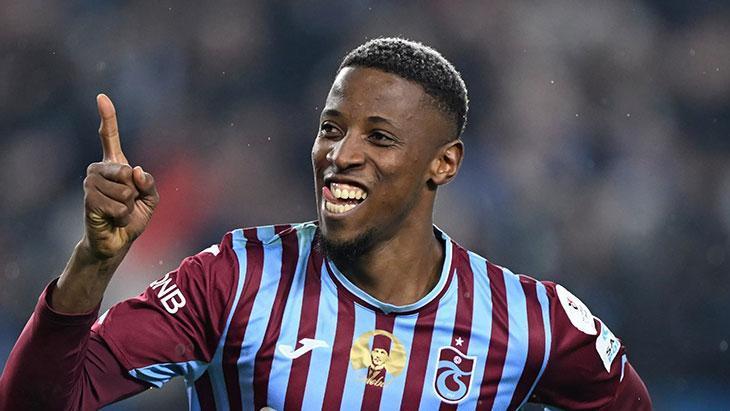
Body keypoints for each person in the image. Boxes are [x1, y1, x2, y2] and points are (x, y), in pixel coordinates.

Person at [0, 38, 651, 410]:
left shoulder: (533, 322)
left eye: (380, 137)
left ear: (443, 163)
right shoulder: (233, 279)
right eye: (332, 129)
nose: (341, 154)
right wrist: (93, 262)